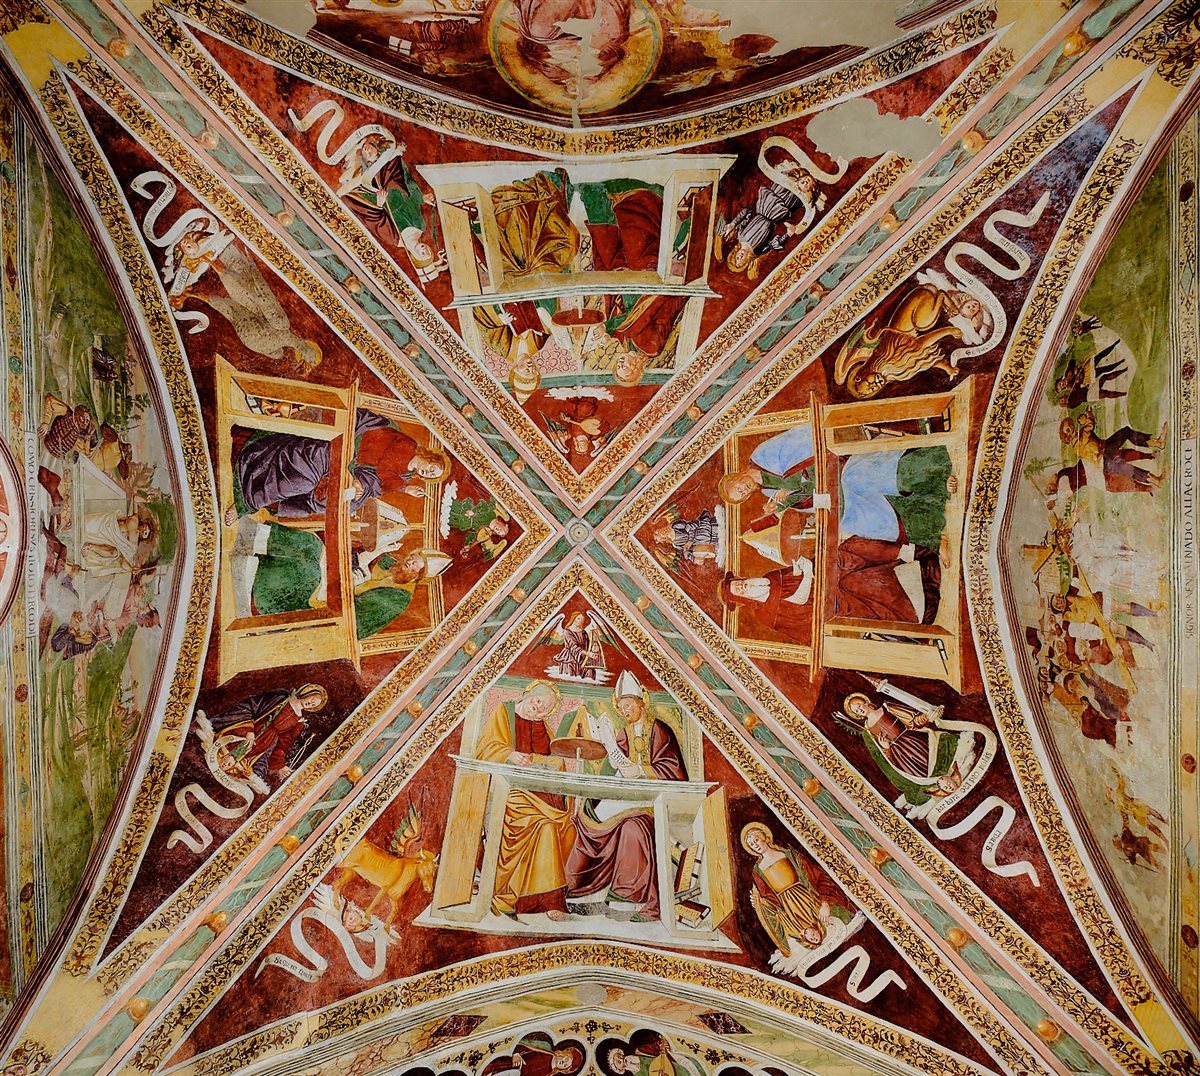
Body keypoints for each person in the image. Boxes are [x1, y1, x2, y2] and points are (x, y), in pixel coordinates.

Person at [565, 671, 687, 922]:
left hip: (652, 801)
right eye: (621, 708)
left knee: (633, 828)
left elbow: (673, 770)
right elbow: (613, 768)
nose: (625, 711)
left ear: (642, 702)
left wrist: (641, 770)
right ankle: (585, 893)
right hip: (626, 796)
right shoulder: (623, 732)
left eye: (629, 705)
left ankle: (628, 899)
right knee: (586, 815)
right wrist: (610, 749)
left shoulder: (660, 730)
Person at [475, 681, 578, 919]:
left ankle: (549, 900)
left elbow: (555, 761)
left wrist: (551, 764)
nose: (538, 709)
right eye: (539, 702)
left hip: (539, 795)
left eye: (545, 709)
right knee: (542, 824)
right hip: (509, 791)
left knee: (558, 827)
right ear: (529, 694)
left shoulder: (543, 728)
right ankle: (513, 895)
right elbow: (484, 749)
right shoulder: (504, 713)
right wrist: (508, 754)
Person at [833, 278, 989, 398]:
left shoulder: (884, 357)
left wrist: (948, 331)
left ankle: (942, 297)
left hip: (919, 303)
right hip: (918, 310)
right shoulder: (893, 372)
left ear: (862, 376)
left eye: (869, 383)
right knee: (924, 324)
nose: (875, 384)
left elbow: (920, 344)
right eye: (874, 389)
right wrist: (947, 368)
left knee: (924, 324)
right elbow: (921, 362)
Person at [741, 823, 853, 953]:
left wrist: (825, 902)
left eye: (756, 840)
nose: (755, 845)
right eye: (751, 845)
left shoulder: (789, 854)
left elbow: (817, 874)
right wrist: (759, 903)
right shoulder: (757, 870)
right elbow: (768, 897)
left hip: (807, 898)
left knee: (833, 923)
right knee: (808, 942)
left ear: (765, 838)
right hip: (790, 910)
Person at [840, 692, 965, 804]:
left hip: (912, 741)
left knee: (935, 756)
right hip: (900, 755)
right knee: (920, 775)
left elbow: (912, 720)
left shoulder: (886, 708)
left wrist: (927, 717)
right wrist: (886, 748)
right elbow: (880, 755)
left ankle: (950, 778)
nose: (859, 710)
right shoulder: (867, 730)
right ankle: (943, 785)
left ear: (865, 702)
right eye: (856, 711)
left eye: (859, 706)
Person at [208, 683, 327, 782]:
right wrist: (249, 730)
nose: (311, 703)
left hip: (264, 745)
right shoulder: (282, 698)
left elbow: (284, 743)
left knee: (253, 772)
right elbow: (253, 705)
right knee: (228, 748)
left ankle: (227, 766)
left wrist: (280, 766)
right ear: (307, 692)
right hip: (250, 729)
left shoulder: (299, 721)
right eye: (312, 699)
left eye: (314, 705)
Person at [483, 1033, 585, 1076]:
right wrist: (516, 1054)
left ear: (565, 1069)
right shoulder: (545, 1047)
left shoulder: (549, 1073)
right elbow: (522, 1044)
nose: (563, 1062)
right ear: (563, 1053)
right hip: (505, 1065)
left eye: (566, 1065)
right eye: (566, 1059)